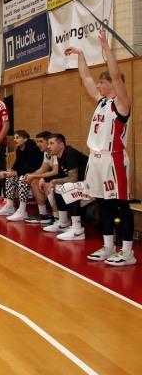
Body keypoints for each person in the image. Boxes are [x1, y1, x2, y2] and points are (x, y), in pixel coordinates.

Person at [66, 29, 135, 265]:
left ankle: (127, 253)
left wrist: (107, 49)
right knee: (102, 203)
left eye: (102, 82)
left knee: (121, 205)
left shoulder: (121, 103)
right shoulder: (101, 102)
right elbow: (85, 77)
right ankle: (108, 246)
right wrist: (81, 54)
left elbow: (116, 76)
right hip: (96, 159)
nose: (97, 85)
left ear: (111, 84)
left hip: (113, 159)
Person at [39, 133, 90, 241]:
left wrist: (53, 181)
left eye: (51, 143)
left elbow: (73, 179)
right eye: (48, 143)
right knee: (57, 186)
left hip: (93, 185)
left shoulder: (69, 153)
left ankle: (78, 230)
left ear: (61, 145)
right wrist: (48, 181)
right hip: (82, 184)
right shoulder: (59, 155)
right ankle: (63, 222)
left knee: (68, 187)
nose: (48, 146)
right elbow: (62, 176)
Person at [0, 130, 43, 220]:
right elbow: (17, 166)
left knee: (22, 179)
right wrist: (9, 172)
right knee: (10, 178)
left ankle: (22, 211)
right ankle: (9, 206)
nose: (15, 140)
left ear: (25, 139)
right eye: (14, 138)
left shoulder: (33, 149)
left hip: (35, 173)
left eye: (17, 138)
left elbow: (30, 168)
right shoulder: (19, 149)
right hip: (26, 172)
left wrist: (10, 173)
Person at [21, 131, 60, 225]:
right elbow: (43, 168)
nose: (38, 144)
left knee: (48, 184)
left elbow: (56, 171)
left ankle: (57, 217)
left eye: (41, 141)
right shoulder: (46, 153)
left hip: (67, 178)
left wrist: (35, 176)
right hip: (57, 177)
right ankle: (43, 214)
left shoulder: (56, 153)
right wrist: (31, 175)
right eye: (37, 141)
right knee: (34, 181)